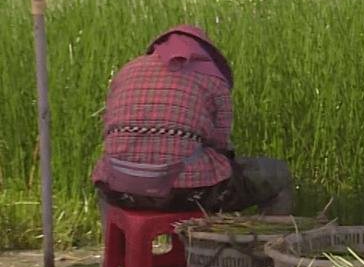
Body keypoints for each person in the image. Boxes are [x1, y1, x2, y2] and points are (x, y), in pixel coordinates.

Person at [92, 25, 294, 215]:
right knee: (277, 174)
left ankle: (118, 248)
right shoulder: (212, 78)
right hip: (186, 194)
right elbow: (220, 143)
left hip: (119, 192)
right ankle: (263, 246)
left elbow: (109, 128)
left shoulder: (127, 71)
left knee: (106, 175)